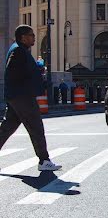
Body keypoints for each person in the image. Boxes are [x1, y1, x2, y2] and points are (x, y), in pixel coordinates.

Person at [0, 25, 62, 172]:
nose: (34, 37)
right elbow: (14, 73)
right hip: (23, 97)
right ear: (23, 37)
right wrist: (34, 81)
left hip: (17, 95)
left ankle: (44, 160)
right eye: (31, 35)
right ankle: (44, 161)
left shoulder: (19, 50)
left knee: (7, 128)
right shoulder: (18, 51)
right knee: (36, 127)